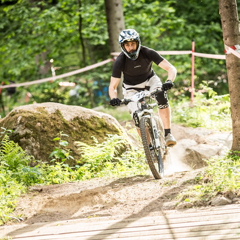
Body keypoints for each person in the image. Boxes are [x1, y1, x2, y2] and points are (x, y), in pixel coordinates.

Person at [109, 29, 177, 147]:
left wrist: (169, 81)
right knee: (136, 116)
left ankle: (168, 134)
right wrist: (113, 98)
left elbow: (171, 68)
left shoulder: (148, 52)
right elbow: (113, 86)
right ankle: (149, 146)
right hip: (131, 87)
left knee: (161, 96)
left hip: (150, 80)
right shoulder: (120, 61)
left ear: (138, 43)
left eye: (133, 44)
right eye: (127, 45)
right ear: (123, 46)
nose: (131, 47)